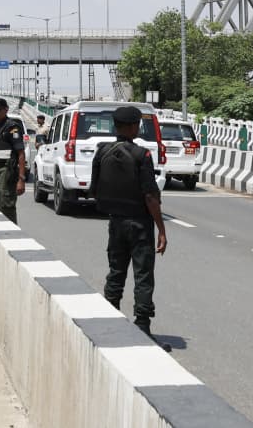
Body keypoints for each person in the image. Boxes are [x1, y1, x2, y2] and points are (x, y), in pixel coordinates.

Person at [89, 106, 169, 347]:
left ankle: (110, 319)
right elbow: (150, 196)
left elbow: (94, 190)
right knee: (143, 275)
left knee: (116, 272)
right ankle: (142, 325)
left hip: (115, 221)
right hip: (140, 224)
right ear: (134, 126)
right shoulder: (141, 155)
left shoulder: (102, 152)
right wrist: (162, 230)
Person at [0, 98, 26, 224]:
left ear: (6, 110)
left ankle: (12, 236)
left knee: (7, 206)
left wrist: (21, 179)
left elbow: (20, 153)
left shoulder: (12, 127)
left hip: (8, 171)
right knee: (1, 205)